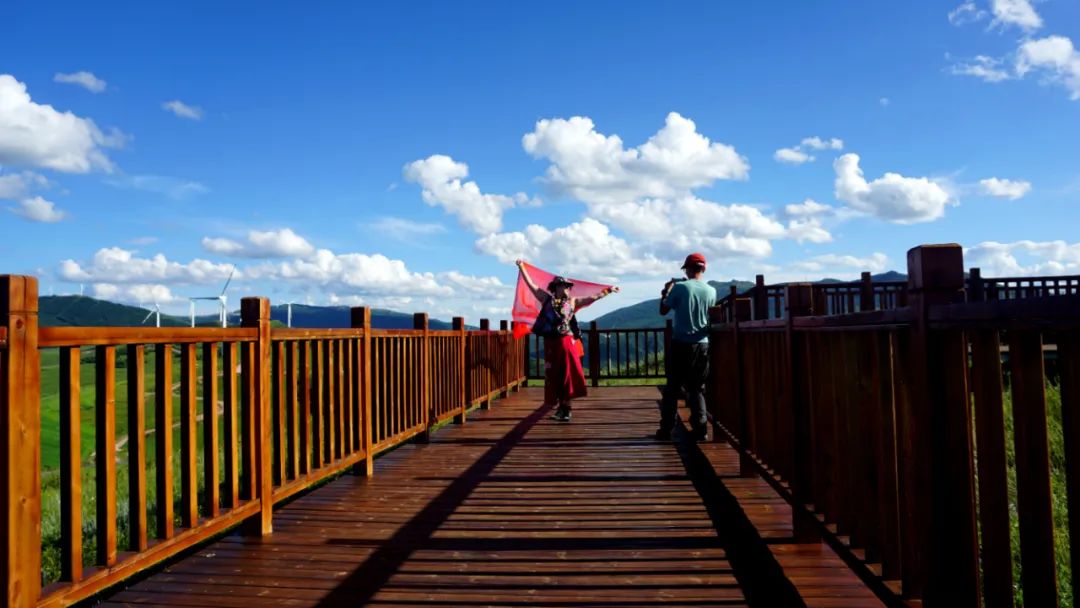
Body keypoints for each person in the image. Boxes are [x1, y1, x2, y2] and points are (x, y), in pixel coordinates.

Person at [516, 260, 619, 421]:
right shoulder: (547, 299)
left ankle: (566, 408)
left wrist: (608, 291)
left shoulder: (572, 302)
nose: (566, 288)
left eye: (567, 286)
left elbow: (593, 297)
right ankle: (562, 408)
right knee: (554, 375)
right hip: (552, 343)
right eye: (562, 286)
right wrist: (522, 267)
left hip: (566, 342)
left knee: (567, 374)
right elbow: (531, 285)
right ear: (555, 288)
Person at [657, 252, 717, 441]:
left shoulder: (681, 287)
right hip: (702, 345)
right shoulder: (711, 291)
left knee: (672, 388)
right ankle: (701, 430)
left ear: (687, 269)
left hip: (681, 344)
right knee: (697, 388)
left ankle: (667, 429)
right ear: (704, 268)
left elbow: (663, 310)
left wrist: (666, 291)